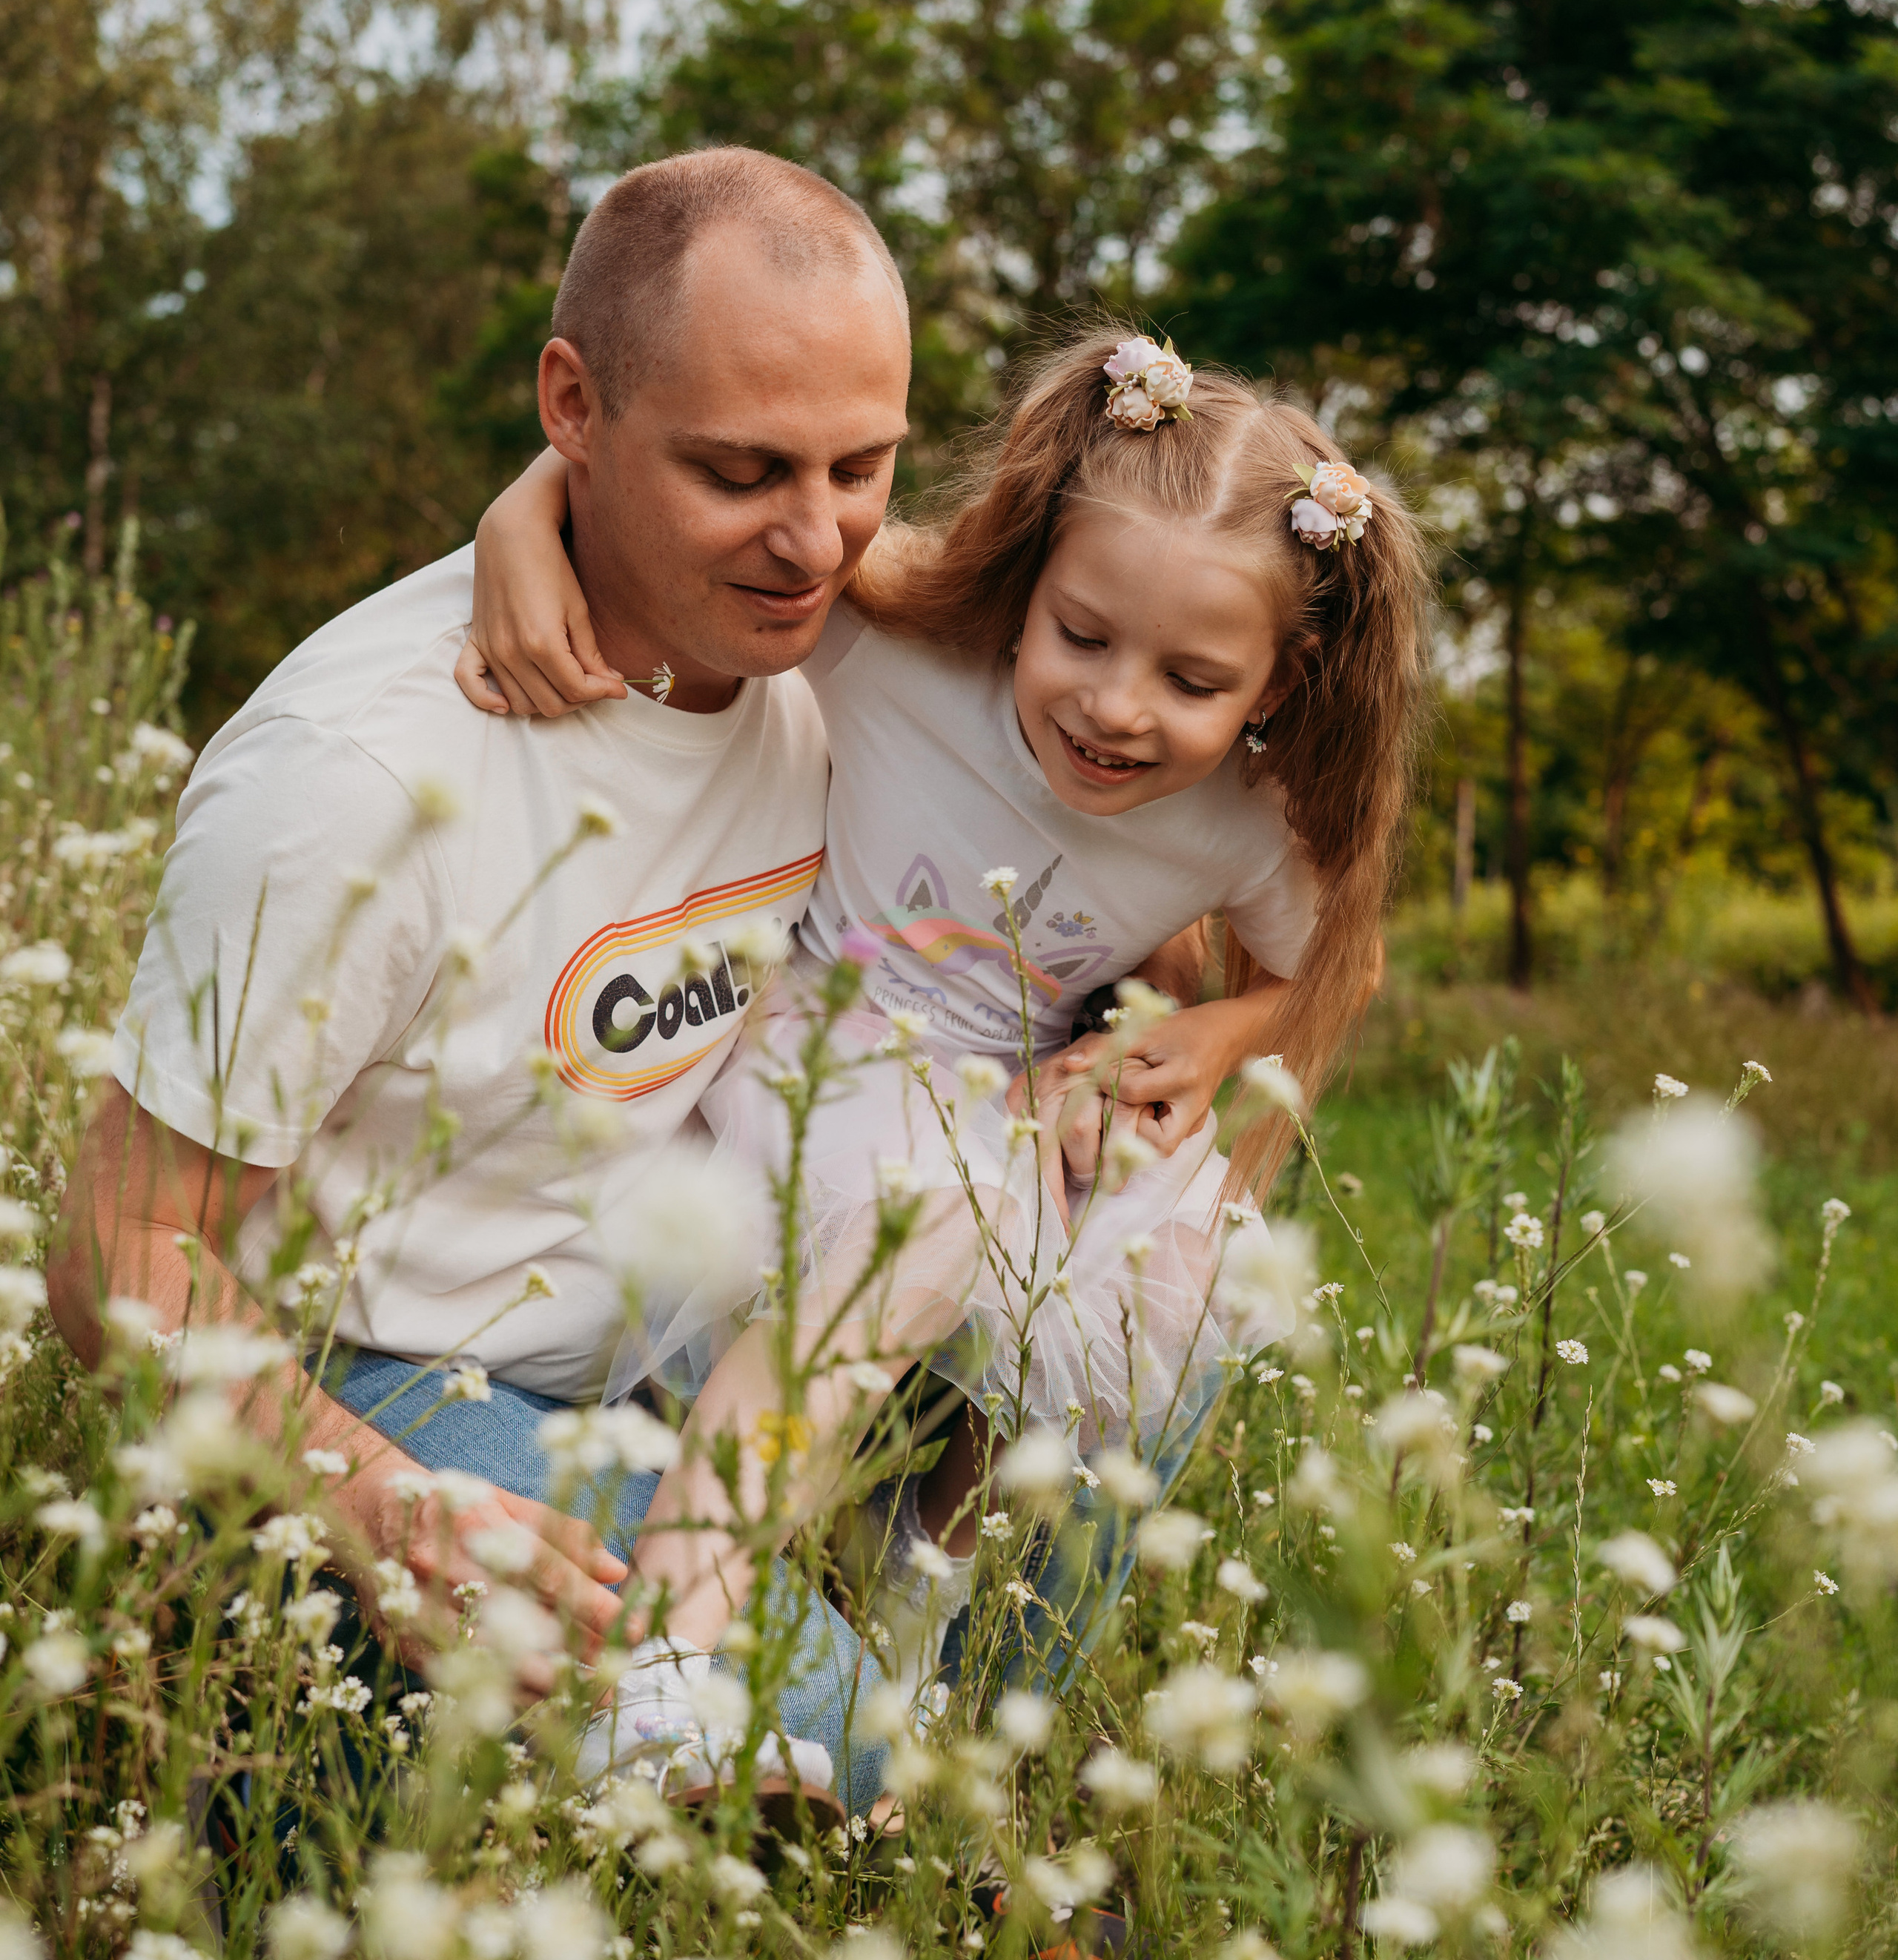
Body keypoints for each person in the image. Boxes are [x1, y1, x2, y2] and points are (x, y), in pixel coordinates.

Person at [47, 145, 917, 1815]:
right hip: (393, 1377)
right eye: (739, 470)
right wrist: (371, 1503)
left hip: (685, 1342)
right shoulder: (351, 781)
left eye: (860, 463)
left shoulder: (830, 644)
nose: (817, 541)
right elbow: (116, 1251)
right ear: (571, 404)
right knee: (844, 1751)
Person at [453, 331, 1432, 1759]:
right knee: (902, 1243)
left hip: (1013, 1097)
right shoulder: (888, 646)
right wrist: (524, 510)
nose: (1114, 706)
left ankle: (933, 1649)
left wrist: (1219, 1036)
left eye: (1191, 680)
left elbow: (1338, 968)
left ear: (1276, 689)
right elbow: (695, 514)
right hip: (809, 1055)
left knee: (1149, 1279)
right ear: (1029, 586)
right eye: (1082, 637)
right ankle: (666, 1656)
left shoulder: (1239, 823)